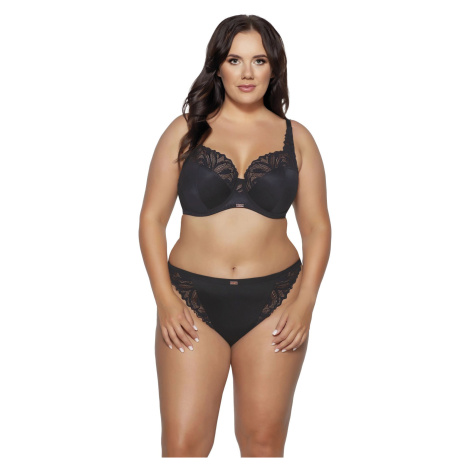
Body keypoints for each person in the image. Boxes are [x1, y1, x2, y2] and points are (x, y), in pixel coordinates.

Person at [139, 14, 331, 458]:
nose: (247, 73)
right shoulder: (185, 130)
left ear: (274, 67)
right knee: (183, 446)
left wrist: (304, 303)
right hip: (190, 300)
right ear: (218, 66)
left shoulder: (297, 138)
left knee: (263, 445)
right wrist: (165, 301)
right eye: (235, 60)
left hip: (275, 302)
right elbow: (151, 219)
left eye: (259, 60)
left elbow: (317, 227)